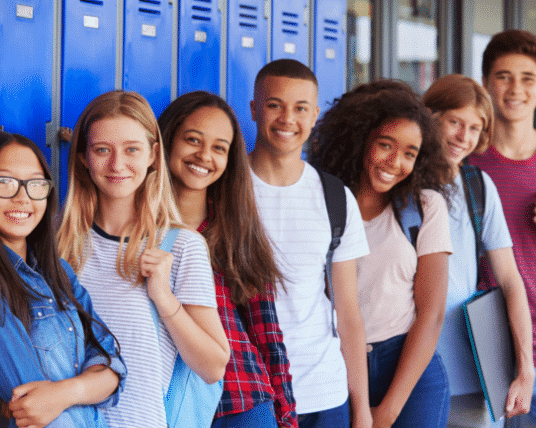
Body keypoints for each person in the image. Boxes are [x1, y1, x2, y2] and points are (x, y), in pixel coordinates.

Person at [57, 90, 230, 428]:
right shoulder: (55, 242)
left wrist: (164, 299)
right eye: (102, 150)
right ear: (83, 157)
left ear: (153, 155)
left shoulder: (182, 247)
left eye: (131, 150)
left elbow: (213, 367)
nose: (117, 164)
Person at [309, 80, 453, 427]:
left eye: (409, 153)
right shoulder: (319, 200)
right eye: (385, 145)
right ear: (359, 141)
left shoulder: (424, 207)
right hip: (334, 365)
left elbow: (431, 316)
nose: (395, 162)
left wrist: (388, 410)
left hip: (407, 371)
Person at [158, 90, 298, 428]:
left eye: (219, 148)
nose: (204, 155)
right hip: (165, 404)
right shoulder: (135, 230)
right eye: (193, 140)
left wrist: (287, 417)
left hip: (240, 402)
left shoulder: (236, 230)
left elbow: (267, 335)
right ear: (166, 141)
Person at [248, 58, 372, 428]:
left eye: (300, 108)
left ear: (315, 114)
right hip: (252, 394)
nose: (288, 119)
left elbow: (348, 313)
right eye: (275, 105)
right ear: (255, 109)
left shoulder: (335, 196)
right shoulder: (224, 189)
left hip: (325, 394)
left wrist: (361, 408)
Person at [424, 74, 534, 427]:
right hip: (408, 369)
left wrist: (525, 368)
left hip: (471, 367)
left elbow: (510, 280)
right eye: (454, 122)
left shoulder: (478, 186)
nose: (463, 137)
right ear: (430, 117)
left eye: (474, 128)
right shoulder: (400, 180)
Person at [0, 131, 126, 427]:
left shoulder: (59, 273)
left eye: (35, 184)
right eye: (4, 183)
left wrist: (63, 393)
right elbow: (27, 404)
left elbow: (113, 366)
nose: (23, 198)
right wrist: (84, 389)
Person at [469, 29, 536, 428]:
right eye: (504, 76)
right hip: (489, 343)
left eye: (528, 78)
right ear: (486, 85)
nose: (516, 88)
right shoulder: (469, 165)